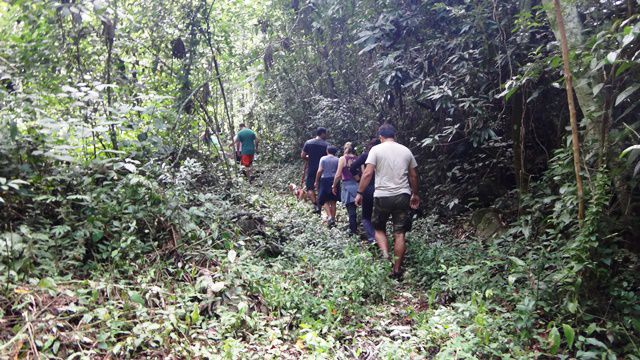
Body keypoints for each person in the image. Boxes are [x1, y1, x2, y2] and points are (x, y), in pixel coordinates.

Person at [355, 124, 420, 279]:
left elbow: (368, 173)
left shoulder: (375, 150)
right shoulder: (406, 150)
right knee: (399, 233)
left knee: (378, 229)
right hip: (402, 196)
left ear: (380, 137)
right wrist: (415, 194)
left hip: (382, 196)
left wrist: (360, 192)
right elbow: (413, 176)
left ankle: (386, 257)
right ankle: (397, 270)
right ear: (394, 136)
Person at [350, 138, 380, 243]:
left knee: (366, 216)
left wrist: (359, 180)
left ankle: (372, 237)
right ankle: (380, 237)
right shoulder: (386, 155)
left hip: (368, 187)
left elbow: (352, 167)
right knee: (381, 215)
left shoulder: (366, 155)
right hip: (384, 188)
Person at [332, 142, 359, 236]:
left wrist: (334, 185)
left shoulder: (343, 159)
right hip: (358, 184)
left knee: (351, 209)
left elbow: (338, 174)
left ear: (345, 149)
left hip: (347, 185)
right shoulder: (358, 158)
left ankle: (353, 230)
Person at [301, 127, 329, 213]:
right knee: (321, 187)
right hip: (322, 169)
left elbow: (302, 155)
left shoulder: (308, 143)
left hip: (312, 168)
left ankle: (315, 204)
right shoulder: (326, 145)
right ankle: (320, 205)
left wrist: (309, 158)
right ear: (322, 133)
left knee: (310, 187)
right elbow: (329, 157)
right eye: (326, 134)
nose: (326, 135)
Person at [315, 146, 339, 227]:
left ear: (327, 151)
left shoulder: (323, 159)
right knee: (333, 201)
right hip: (335, 180)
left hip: (325, 180)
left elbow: (320, 170)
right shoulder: (337, 159)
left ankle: (329, 217)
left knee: (324, 200)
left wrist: (316, 180)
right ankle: (333, 219)